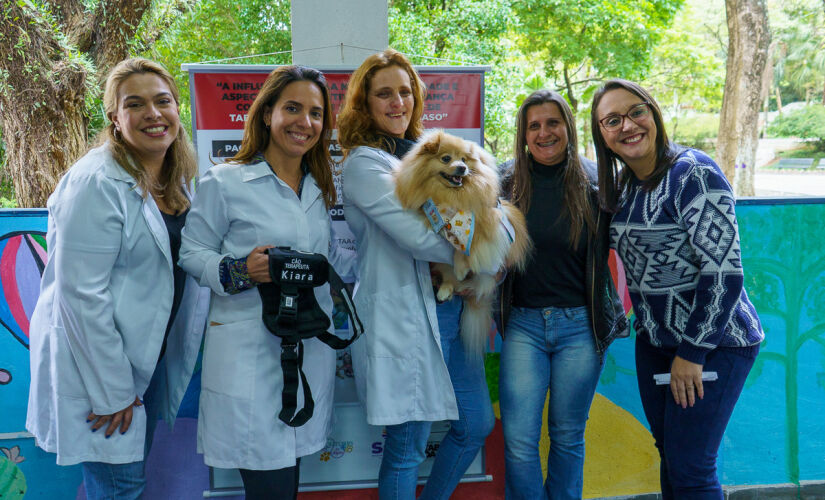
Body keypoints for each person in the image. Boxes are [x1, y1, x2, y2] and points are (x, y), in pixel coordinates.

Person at [26, 57, 209, 499]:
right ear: (114, 117)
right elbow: (80, 296)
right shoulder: (96, 182)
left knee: (124, 484)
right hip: (100, 372)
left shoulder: (175, 180)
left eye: (163, 101)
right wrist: (114, 394)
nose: (153, 113)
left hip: (141, 364)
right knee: (121, 488)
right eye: (136, 104)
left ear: (177, 108)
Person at [178, 65, 355, 500]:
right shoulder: (225, 182)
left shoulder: (318, 187)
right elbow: (191, 253)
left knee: (287, 479)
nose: (305, 122)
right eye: (292, 108)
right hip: (248, 360)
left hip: (304, 352)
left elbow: (332, 259)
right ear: (266, 114)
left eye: (316, 113)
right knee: (270, 486)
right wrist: (241, 270)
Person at [338, 49, 504, 499]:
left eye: (405, 91)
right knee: (407, 446)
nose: (398, 102)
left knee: (476, 424)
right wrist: (485, 252)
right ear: (364, 103)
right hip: (406, 316)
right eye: (384, 94)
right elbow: (419, 237)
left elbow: (490, 211)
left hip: (451, 312)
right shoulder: (364, 164)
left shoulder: (434, 153)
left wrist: (485, 238)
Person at [591, 79, 764, 499]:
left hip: (715, 342)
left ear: (653, 113)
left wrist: (692, 352)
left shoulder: (694, 172)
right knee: (673, 456)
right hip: (655, 340)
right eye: (612, 121)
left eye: (636, 111)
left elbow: (724, 273)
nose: (627, 125)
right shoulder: (624, 186)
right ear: (603, 137)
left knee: (691, 468)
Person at [495, 90, 628, 500]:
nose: (544, 132)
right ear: (523, 134)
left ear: (568, 127)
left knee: (568, 437)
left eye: (552, 122)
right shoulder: (504, 182)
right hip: (523, 326)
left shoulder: (597, 181)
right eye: (534, 125)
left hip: (580, 329)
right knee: (519, 441)